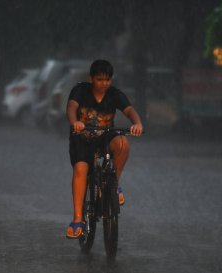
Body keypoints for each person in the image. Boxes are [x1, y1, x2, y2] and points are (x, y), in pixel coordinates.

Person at [65, 59, 143, 239]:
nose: (104, 84)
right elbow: (71, 107)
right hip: (82, 138)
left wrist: (137, 123)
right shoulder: (80, 90)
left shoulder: (115, 94)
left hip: (105, 137)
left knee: (123, 142)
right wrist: (74, 122)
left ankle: (114, 184)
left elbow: (129, 110)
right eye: (100, 80)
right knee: (81, 169)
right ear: (91, 78)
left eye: (107, 80)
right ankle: (78, 219)